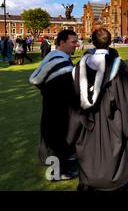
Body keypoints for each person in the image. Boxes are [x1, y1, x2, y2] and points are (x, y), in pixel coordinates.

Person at [70, 28, 128, 191]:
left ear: (92, 42)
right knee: (112, 146)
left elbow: (74, 94)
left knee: (89, 149)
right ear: (110, 42)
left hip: (87, 118)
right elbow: (125, 96)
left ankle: (89, 180)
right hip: (110, 116)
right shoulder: (117, 66)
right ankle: (114, 182)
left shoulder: (79, 66)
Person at [29, 30, 79, 181]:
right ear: (62, 43)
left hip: (52, 104)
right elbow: (69, 88)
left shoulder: (52, 57)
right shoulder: (60, 61)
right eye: (73, 42)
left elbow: (39, 81)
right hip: (59, 107)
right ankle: (57, 173)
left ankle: (62, 163)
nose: (76, 45)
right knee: (58, 137)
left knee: (53, 135)